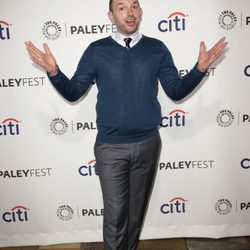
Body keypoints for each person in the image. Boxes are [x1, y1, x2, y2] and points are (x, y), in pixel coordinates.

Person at [25, 0, 226, 249]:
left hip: (149, 144)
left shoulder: (157, 48)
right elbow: (74, 92)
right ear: (111, 15)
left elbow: (175, 90)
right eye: (121, 7)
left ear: (140, 11)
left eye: (134, 6)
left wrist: (199, 69)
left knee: (134, 216)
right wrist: (55, 72)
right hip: (111, 148)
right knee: (115, 218)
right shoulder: (96, 50)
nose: (129, 12)